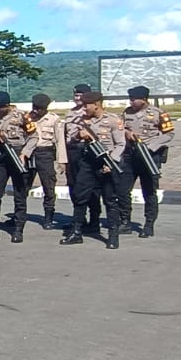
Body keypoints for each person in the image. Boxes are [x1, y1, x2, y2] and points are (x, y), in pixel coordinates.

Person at [60, 90, 126, 249]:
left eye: (86, 105)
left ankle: (113, 235)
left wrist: (111, 162)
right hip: (88, 163)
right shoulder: (81, 120)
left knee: (110, 200)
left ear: (96, 105)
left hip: (108, 163)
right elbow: (70, 138)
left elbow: (120, 144)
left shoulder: (112, 120)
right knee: (80, 195)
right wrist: (79, 136)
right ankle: (76, 232)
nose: (84, 109)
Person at [0, 92, 37, 243]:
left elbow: (34, 137)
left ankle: (18, 228)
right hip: (2, 156)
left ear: (7, 105)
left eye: (0, 108)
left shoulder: (22, 116)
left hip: (18, 155)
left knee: (19, 194)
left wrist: (25, 154)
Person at [119, 85, 174, 237]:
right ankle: (125, 222)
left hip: (149, 155)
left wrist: (152, 146)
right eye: (130, 99)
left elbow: (169, 134)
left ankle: (149, 224)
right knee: (123, 190)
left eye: (134, 99)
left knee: (149, 190)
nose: (131, 102)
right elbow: (119, 128)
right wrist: (127, 133)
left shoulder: (158, 113)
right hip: (130, 155)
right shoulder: (127, 113)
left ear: (143, 99)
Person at [26, 94, 62, 229]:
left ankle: (48, 217)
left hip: (45, 153)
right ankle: (20, 215)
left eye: (39, 108)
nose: (36, 111)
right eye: (34, 107)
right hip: (29, 153)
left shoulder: (53, 119)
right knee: (23, 186)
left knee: (48, 186)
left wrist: (61, 161)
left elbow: (59, 141)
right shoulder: (27, 118)